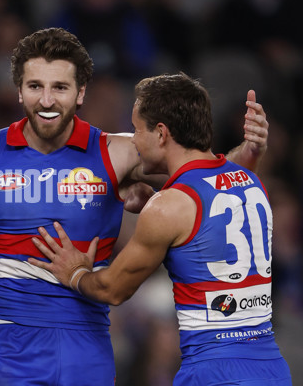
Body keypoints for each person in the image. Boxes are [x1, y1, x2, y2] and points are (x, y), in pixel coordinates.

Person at [0, 28, 268, 385]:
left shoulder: (119, 152)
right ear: (18, 90)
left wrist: (248, 153)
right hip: (6, 338)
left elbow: (205, 182)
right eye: (34, 86)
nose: (46, 100)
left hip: (88, 337)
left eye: (60, 87)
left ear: (80, 93)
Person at [29, 72, 292, 385]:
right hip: (271, 368)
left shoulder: (169, 207)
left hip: (214, 373)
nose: (134, 140)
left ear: (161, 133)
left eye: (137, 129)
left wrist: (75, 273)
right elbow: (211, 196)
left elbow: (113, 289)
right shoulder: (251, 181)